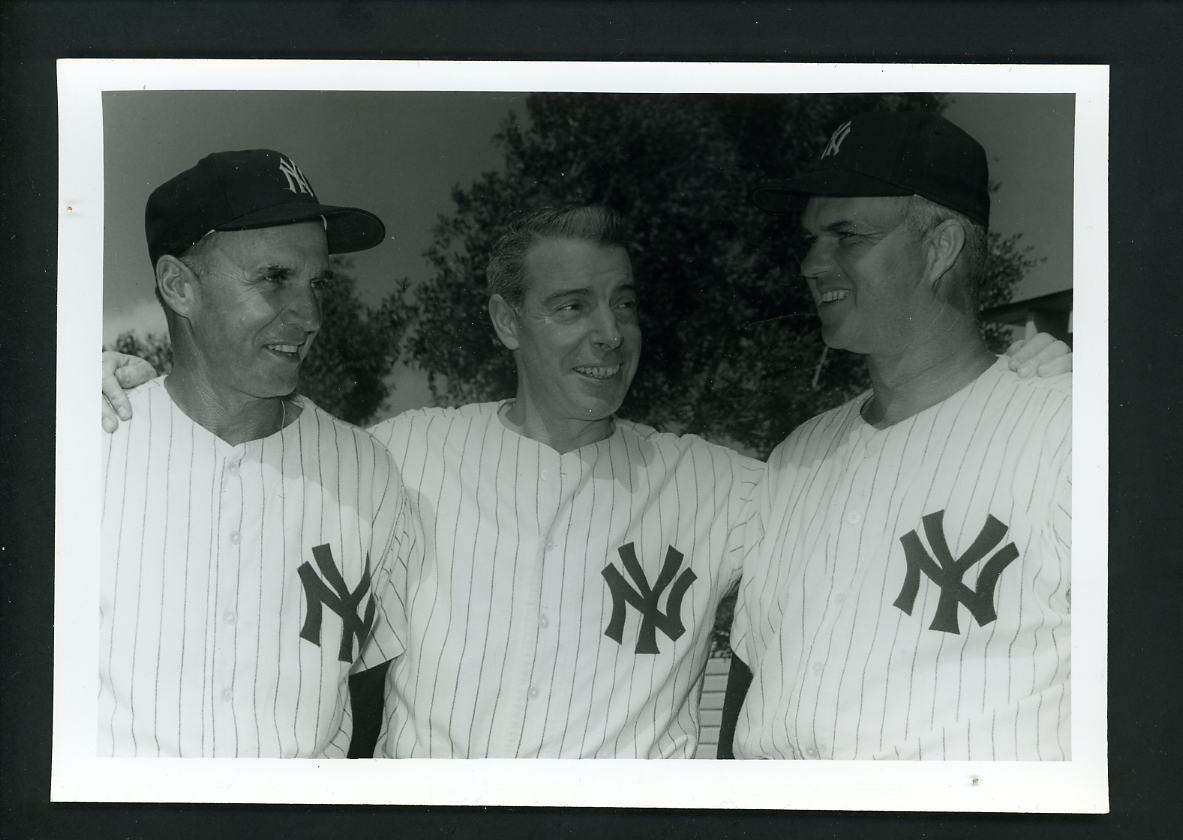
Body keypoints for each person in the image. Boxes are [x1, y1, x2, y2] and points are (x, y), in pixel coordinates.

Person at [103, 202, 1070, 759]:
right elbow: (255, 455)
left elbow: (883, 471)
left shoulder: (729, 485)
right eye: (569, 305)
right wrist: (119, 384)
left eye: (622, 303)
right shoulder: (396, 456)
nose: (608, 334)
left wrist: (1029, 364)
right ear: (502, 322)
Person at [721, 111, 1072, 760]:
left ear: (938, 248)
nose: (810, 261)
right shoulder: (796, 455)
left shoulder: (1067, 432)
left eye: (845, 234)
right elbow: (749, 673)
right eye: (811, 237)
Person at [100, 149, 411, 757]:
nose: (311, 313)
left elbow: (371, 694)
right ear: (178, 285)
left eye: (316, 281)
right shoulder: (95, 442)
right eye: (274, 277)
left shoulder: (366, 471)